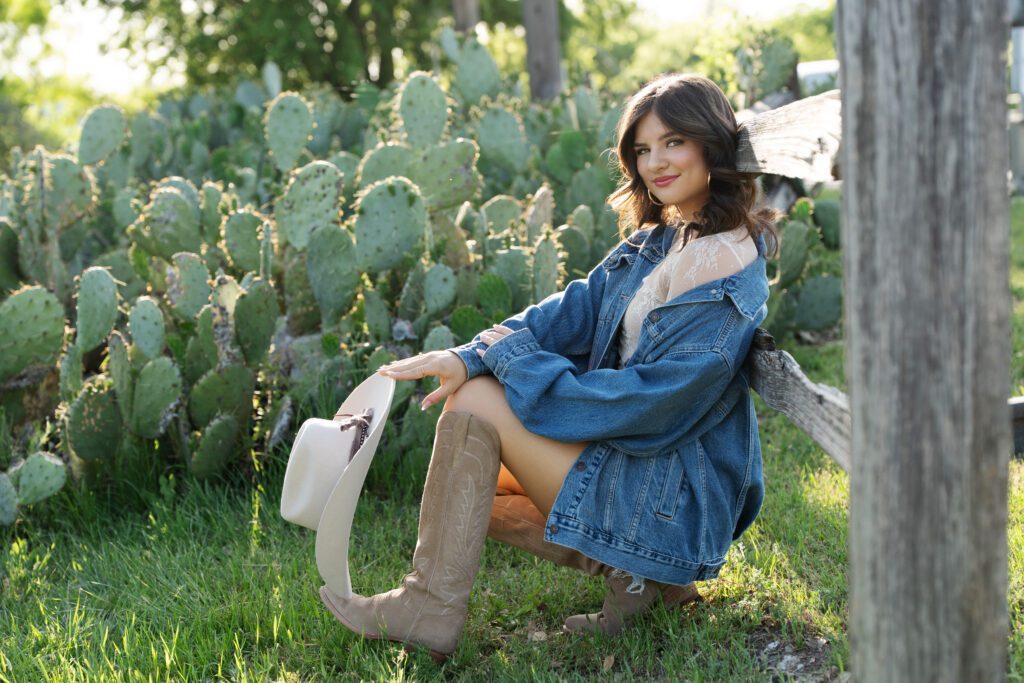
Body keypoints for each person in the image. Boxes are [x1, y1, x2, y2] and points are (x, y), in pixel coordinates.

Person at [318, 72, 780, 662]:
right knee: (470, 486)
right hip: (648, 463)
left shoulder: (720, 270)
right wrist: (468, 354)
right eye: (642, 149)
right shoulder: (666, 240)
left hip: (673, 497)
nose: (655, 163)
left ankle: (427, 607)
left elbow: (645, 405)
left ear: (711, 144)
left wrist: (507, 366)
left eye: (673, 142)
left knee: (478, 406)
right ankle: (643, 587)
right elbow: (570, 311)